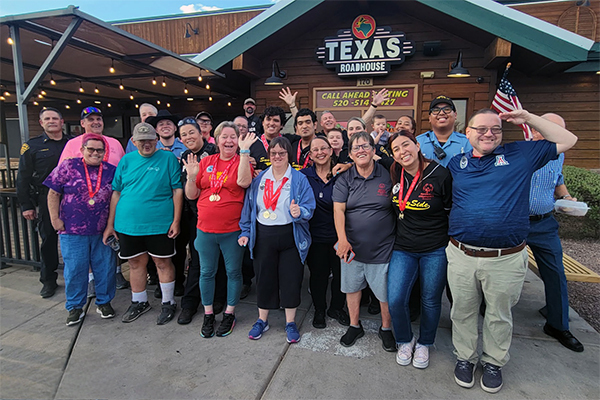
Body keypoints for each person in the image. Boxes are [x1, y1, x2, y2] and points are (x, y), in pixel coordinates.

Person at [447, 108, 577, 393]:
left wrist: (529, 118)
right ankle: (465, 358)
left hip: (504, 257)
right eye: (481, 129)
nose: (488, 134)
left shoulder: (522, 154)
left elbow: (568, 139)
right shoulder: (457, 163)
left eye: (495, 129)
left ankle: (493, 362)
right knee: (463, 312)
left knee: (499, 314)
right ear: (467, 133)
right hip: (461, 253)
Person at [103, 122, 183, 325]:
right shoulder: (126, 160)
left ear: (156, 140)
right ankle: (139, 301)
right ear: (133, 141)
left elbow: (177, 190)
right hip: (128, 223)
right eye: (142, 141)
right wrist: (110, 224)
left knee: (162, 263)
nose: (146, 144)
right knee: (135, 263)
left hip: (159, 222)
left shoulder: (168, 158)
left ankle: (168, 302)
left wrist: (176, 220)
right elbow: (116, 192)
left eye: (150, 140)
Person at [239, 137, 316, 343]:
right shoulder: (259, 179)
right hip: (264, 235)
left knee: (291, 278)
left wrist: (300, 211)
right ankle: (262, 320)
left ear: (288, 155)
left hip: (290, 234)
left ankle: (290, 322)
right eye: (273, 153)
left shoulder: (298, 179)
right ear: (269, 155)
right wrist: (245, 231)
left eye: (282, 153)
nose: (277, 157)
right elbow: (248, 208)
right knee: (264, 278)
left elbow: (310, 206)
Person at [386, 130, 452, 369]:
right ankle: (405, 339)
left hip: (434, 248)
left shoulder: (440, 174)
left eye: (406, 145)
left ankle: (425, 343)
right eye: (396, 149)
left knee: (430, 300)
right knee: (395, 298)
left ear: (417, 145)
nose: (402, 152)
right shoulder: (395, 173)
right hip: (403, 247)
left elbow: (450, 210)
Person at [183, 122, 256, 337]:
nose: (229, 141)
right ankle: (208, 315)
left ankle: (229, 314)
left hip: (232, 230)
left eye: (233, 136)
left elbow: (243, 182)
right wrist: (191, 176)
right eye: (224, 137)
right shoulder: (206, 161)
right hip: (205, 230)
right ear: (217, 139)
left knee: (233, 272)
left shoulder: (242, 161)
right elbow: (191, 195)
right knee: (207, 272)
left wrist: (244, 152)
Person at [332, 131, 396, 351]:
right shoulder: (345, 179)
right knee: (352, 288)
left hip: (383, 248)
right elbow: (338, 210)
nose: (361, 150)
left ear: (374, 150)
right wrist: (342, 240)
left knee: (384, 292)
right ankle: (354, 325)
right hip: (352, 248)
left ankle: (386, 328)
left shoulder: (388, 174)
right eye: (356, 147)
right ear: (350, 154)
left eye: (365, 146)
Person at [44, 133, 117, 325]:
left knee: (106, 268)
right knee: (76, 269)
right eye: (91, 149)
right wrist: (54, 219)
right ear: (82, 149)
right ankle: (75, 306)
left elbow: (117, 197)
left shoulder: (111, 170)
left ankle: (104, 302)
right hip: (72, 228)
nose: (95, 153)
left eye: (99, 150)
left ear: (105, 152)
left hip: (102, 229)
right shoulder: (68, 166)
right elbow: (53, 192)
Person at [528, 113, 583, 352]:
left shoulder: (558, 155)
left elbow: (557, 181)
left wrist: (567, 198)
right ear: (537, 130)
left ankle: (558, 324)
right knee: (503, 271)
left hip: (545, 224)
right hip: (516, 222)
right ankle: (488, 311)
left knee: (555, 273)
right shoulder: (521, 153)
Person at [59, 107, 128, 293]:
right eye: (91, 119)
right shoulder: (72, 145)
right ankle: (90, 279)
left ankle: (117, 272)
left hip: (109, 203)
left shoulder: (114, 143)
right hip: (80, 211)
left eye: (99, 119)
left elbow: (122, 171)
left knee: (109, 244)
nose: (95, 122)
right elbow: (59, 181)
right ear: (82, 123)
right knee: (81, 253)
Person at [17, 107, 72, 298]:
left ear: (61, 121)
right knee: (48, 240)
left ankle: (76, 277)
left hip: (71, 199)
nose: (51, 121)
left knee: (74, 239)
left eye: (55, 118)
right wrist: (26, 205)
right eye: (47, 119)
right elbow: (22, 177)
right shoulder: (32, 146)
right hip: (45, 197)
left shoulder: (72, 143)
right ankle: (48, 280)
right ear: (41, 123)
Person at [302, 136, 349, 328]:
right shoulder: (304, 175)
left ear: (331, 150)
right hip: (315, 237)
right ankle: (319, 309)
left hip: (340, 236)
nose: (320, 152)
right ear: (311, 155)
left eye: (324, 148)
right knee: (318, 275)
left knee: (341, 276)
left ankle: (336, 308)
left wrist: (350, 165)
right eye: (315, 150)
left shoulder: (343, 174)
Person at [175, 117, 219, 325]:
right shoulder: (184, 157)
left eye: (191, 132)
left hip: (217, 214)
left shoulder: (216, 152)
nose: (188, 137)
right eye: (183, 134)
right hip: (196, 217)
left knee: (219, 259)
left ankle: (217, 297)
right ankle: (190, 303)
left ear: (200, 132)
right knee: (198, 261)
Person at [416, 96, 471, 167]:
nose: (441, 113)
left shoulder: (467, 143)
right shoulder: (418, 142)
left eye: (447, 109)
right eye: (436, 110)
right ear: (429, 118)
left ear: (455, 115)